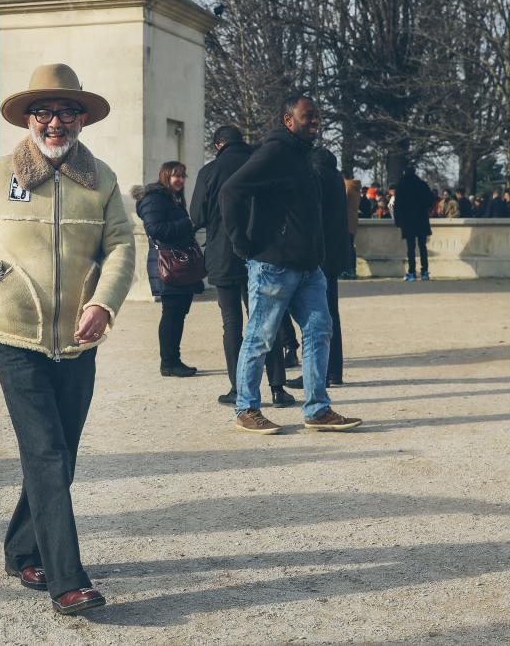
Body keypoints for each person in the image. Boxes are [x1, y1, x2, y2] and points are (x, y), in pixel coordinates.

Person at [0, 63, 135, 615]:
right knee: (45, 452)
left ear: (82, 120)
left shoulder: (103, 181)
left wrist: (103, 303)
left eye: (66, 112)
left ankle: (22, 548)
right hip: (13, 334)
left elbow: (121, 246)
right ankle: (67, 580)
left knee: (62, 456)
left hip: (79, 335)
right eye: (44, 112)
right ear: (28, 119)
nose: (55, 122)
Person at [220, 92, 362, 435]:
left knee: (319, 329)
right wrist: (243, 244)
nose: (314, 122)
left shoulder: (304, 155)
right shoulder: (274, 153)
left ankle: (316, 408)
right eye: (307, 116)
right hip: (274, 264)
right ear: (289, 120)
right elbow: (231, 190)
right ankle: (246, 408)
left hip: (308, 266)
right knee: (260, 336)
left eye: (316, 117)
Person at [190, 125, 292, 405]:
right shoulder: (259, 164)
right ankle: (277, 387)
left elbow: (196, 215)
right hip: (261, 252)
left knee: (232, 324)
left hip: (223, 255)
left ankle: (238, 388)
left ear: (218, 145)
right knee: (264, 322)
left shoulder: (208, 172)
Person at [134, 161, 203, 377]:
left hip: (179, 263)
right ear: (166, 176)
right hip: (169, 263)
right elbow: (155, 229)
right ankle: (169, 363)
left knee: (178, 313)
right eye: (176, 176)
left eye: (183, 176)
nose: (180, 181)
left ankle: (174, 360)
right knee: (172, 313)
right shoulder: (154, 198)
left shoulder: (171, 198)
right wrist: (187, 224)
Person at [288, 147, 350, 387]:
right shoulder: (335, 178)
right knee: (330, 314)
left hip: (319, 255)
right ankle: (333, 371)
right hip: (335, 255)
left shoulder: (316, 177)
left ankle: (320, 373)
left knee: (315, 317)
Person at [393, 166, 434, 281]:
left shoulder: (402, 185)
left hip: (408, 220)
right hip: (421, 219)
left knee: (410, 247)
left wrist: (398, 220)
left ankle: (411, 272)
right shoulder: (422, 184)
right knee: (422, 246)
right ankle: (424, 271)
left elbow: (397, 205)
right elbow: (430, 200)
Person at [342, 177, 361, 279]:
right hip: (353, 219)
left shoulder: (346, 187)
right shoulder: (355, 187)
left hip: (346, 220)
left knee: (346, 247)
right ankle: (352, 269)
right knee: (351, 246)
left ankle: (348, 270)